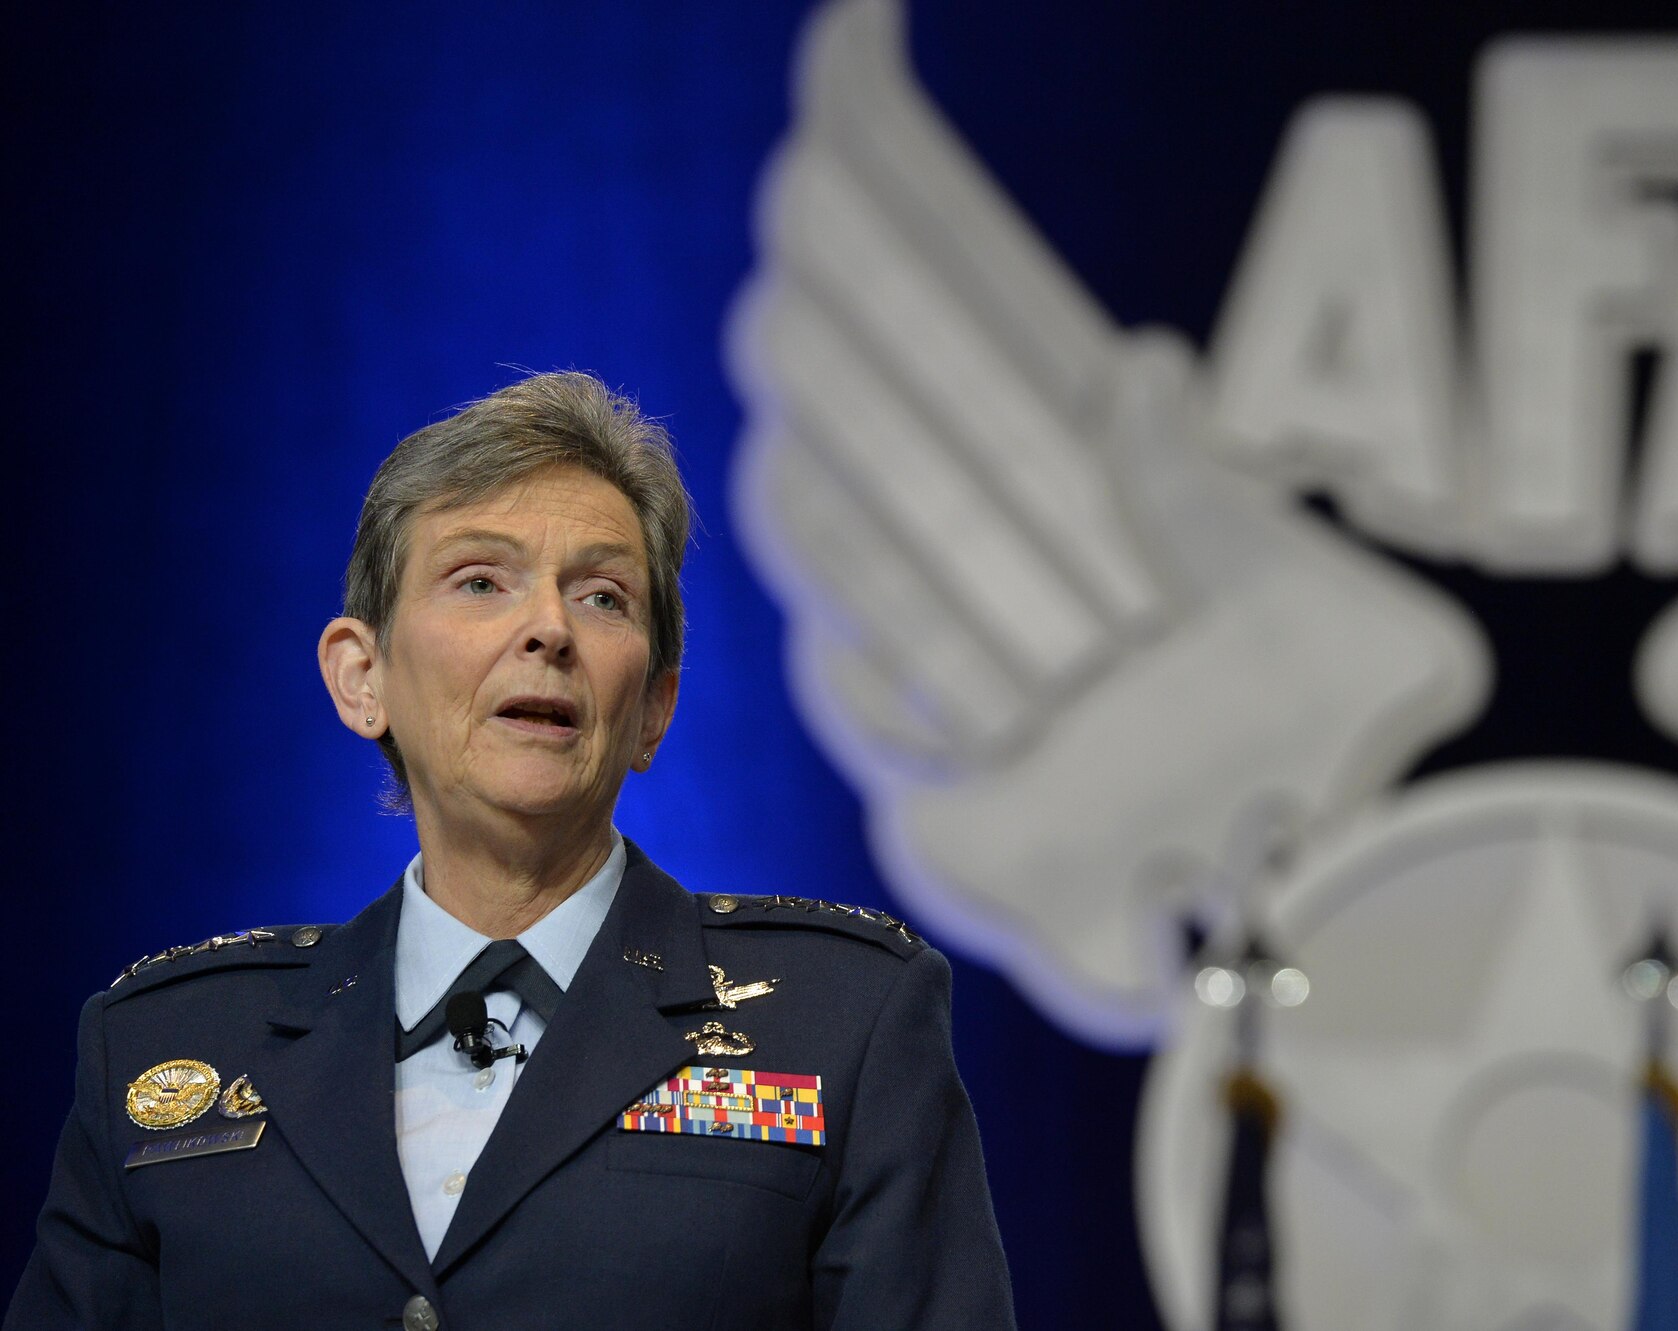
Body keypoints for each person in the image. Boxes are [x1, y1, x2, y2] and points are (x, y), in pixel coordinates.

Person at [6, 371, 1016, 1330]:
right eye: (481, 579)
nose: (547, 628)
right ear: (362, 677)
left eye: (603, 596)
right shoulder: (159, 1049)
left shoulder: (847, 1024)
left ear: (653, 707)